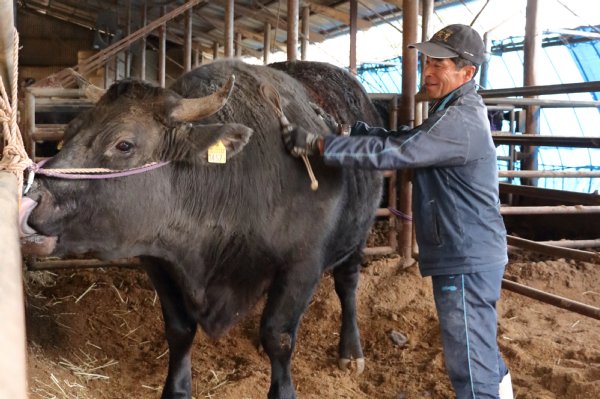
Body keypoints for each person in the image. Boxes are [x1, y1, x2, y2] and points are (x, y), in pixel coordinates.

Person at [282, 24, 514, 399]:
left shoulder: (461, 121)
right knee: (479, 352)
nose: (428, 71)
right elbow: (404, 140)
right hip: (465, 251)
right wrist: (352, 131)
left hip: (465, 256)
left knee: (469, 365)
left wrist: (321, 144)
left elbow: (398, 154)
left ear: (468, 73)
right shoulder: (451, 111)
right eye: (426, 61)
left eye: (440, 65)